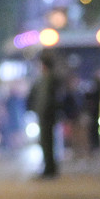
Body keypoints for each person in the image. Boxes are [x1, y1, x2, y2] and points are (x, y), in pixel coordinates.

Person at [29, 50, 70, 179]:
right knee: (48, 142)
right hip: (47, 114)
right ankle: (49, 167)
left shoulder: (48, 79)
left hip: (46, 115)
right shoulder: (50, 78)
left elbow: (45, 100)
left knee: (47, 142)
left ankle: (49, 169)